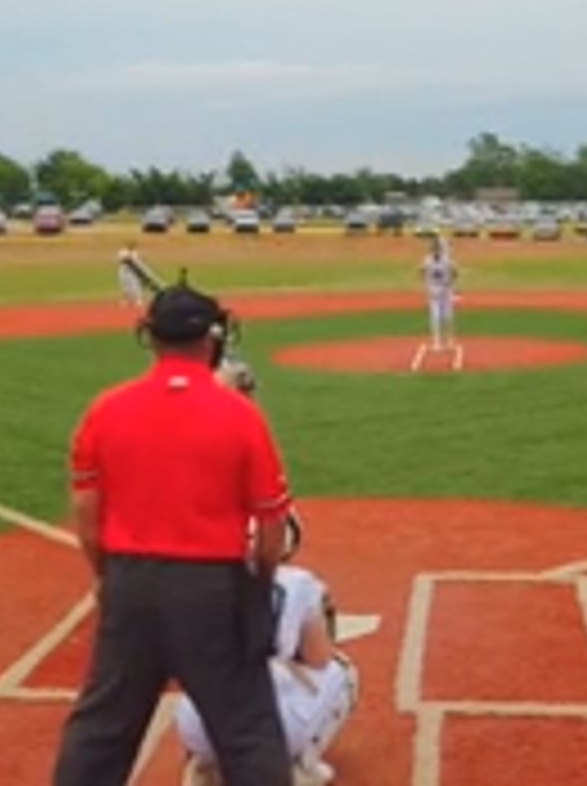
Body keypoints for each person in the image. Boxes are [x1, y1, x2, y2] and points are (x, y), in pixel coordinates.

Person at [52, 282, 296, 786]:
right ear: (212, 339)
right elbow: (272, 526)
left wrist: (110, 575)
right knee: (246, 727)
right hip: (211, 588)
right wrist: (257, 581)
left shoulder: (106, 409)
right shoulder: (240, 416)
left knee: (102, 728)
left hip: (130, 582)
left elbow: (86, 513)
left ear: (151, 337)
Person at [176, 513, 359, 786]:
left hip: (196, 722)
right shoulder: (300, 582)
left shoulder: (195, 580)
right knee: (342, 670)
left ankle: (205, 763)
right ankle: (298, 765)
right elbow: (318, 658)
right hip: (271, 728)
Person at [419, 238, 458, 350]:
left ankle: (449, 339)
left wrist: (450, 282)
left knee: (448, 317)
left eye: (438, 249)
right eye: (434, 249)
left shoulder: (446, 260)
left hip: (445, 292)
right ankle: (436, 342)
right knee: (435, 317)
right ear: (431, 250)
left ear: (440, 249)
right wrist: (426, 284)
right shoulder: (427, 260)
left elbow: (455, 272)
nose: (436, 251)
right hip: (433, 292)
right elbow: (421, 271)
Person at [118, 244, 147, 308]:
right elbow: (122, 260)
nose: (131, 247)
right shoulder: (122, 252)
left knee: (135, 286)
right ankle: (125, 300)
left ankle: (138, 300)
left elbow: (138, 262)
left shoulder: (135, 253)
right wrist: (129, 258)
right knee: (124, 286)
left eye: (132, 246)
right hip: (123, 272)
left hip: (132, 272)